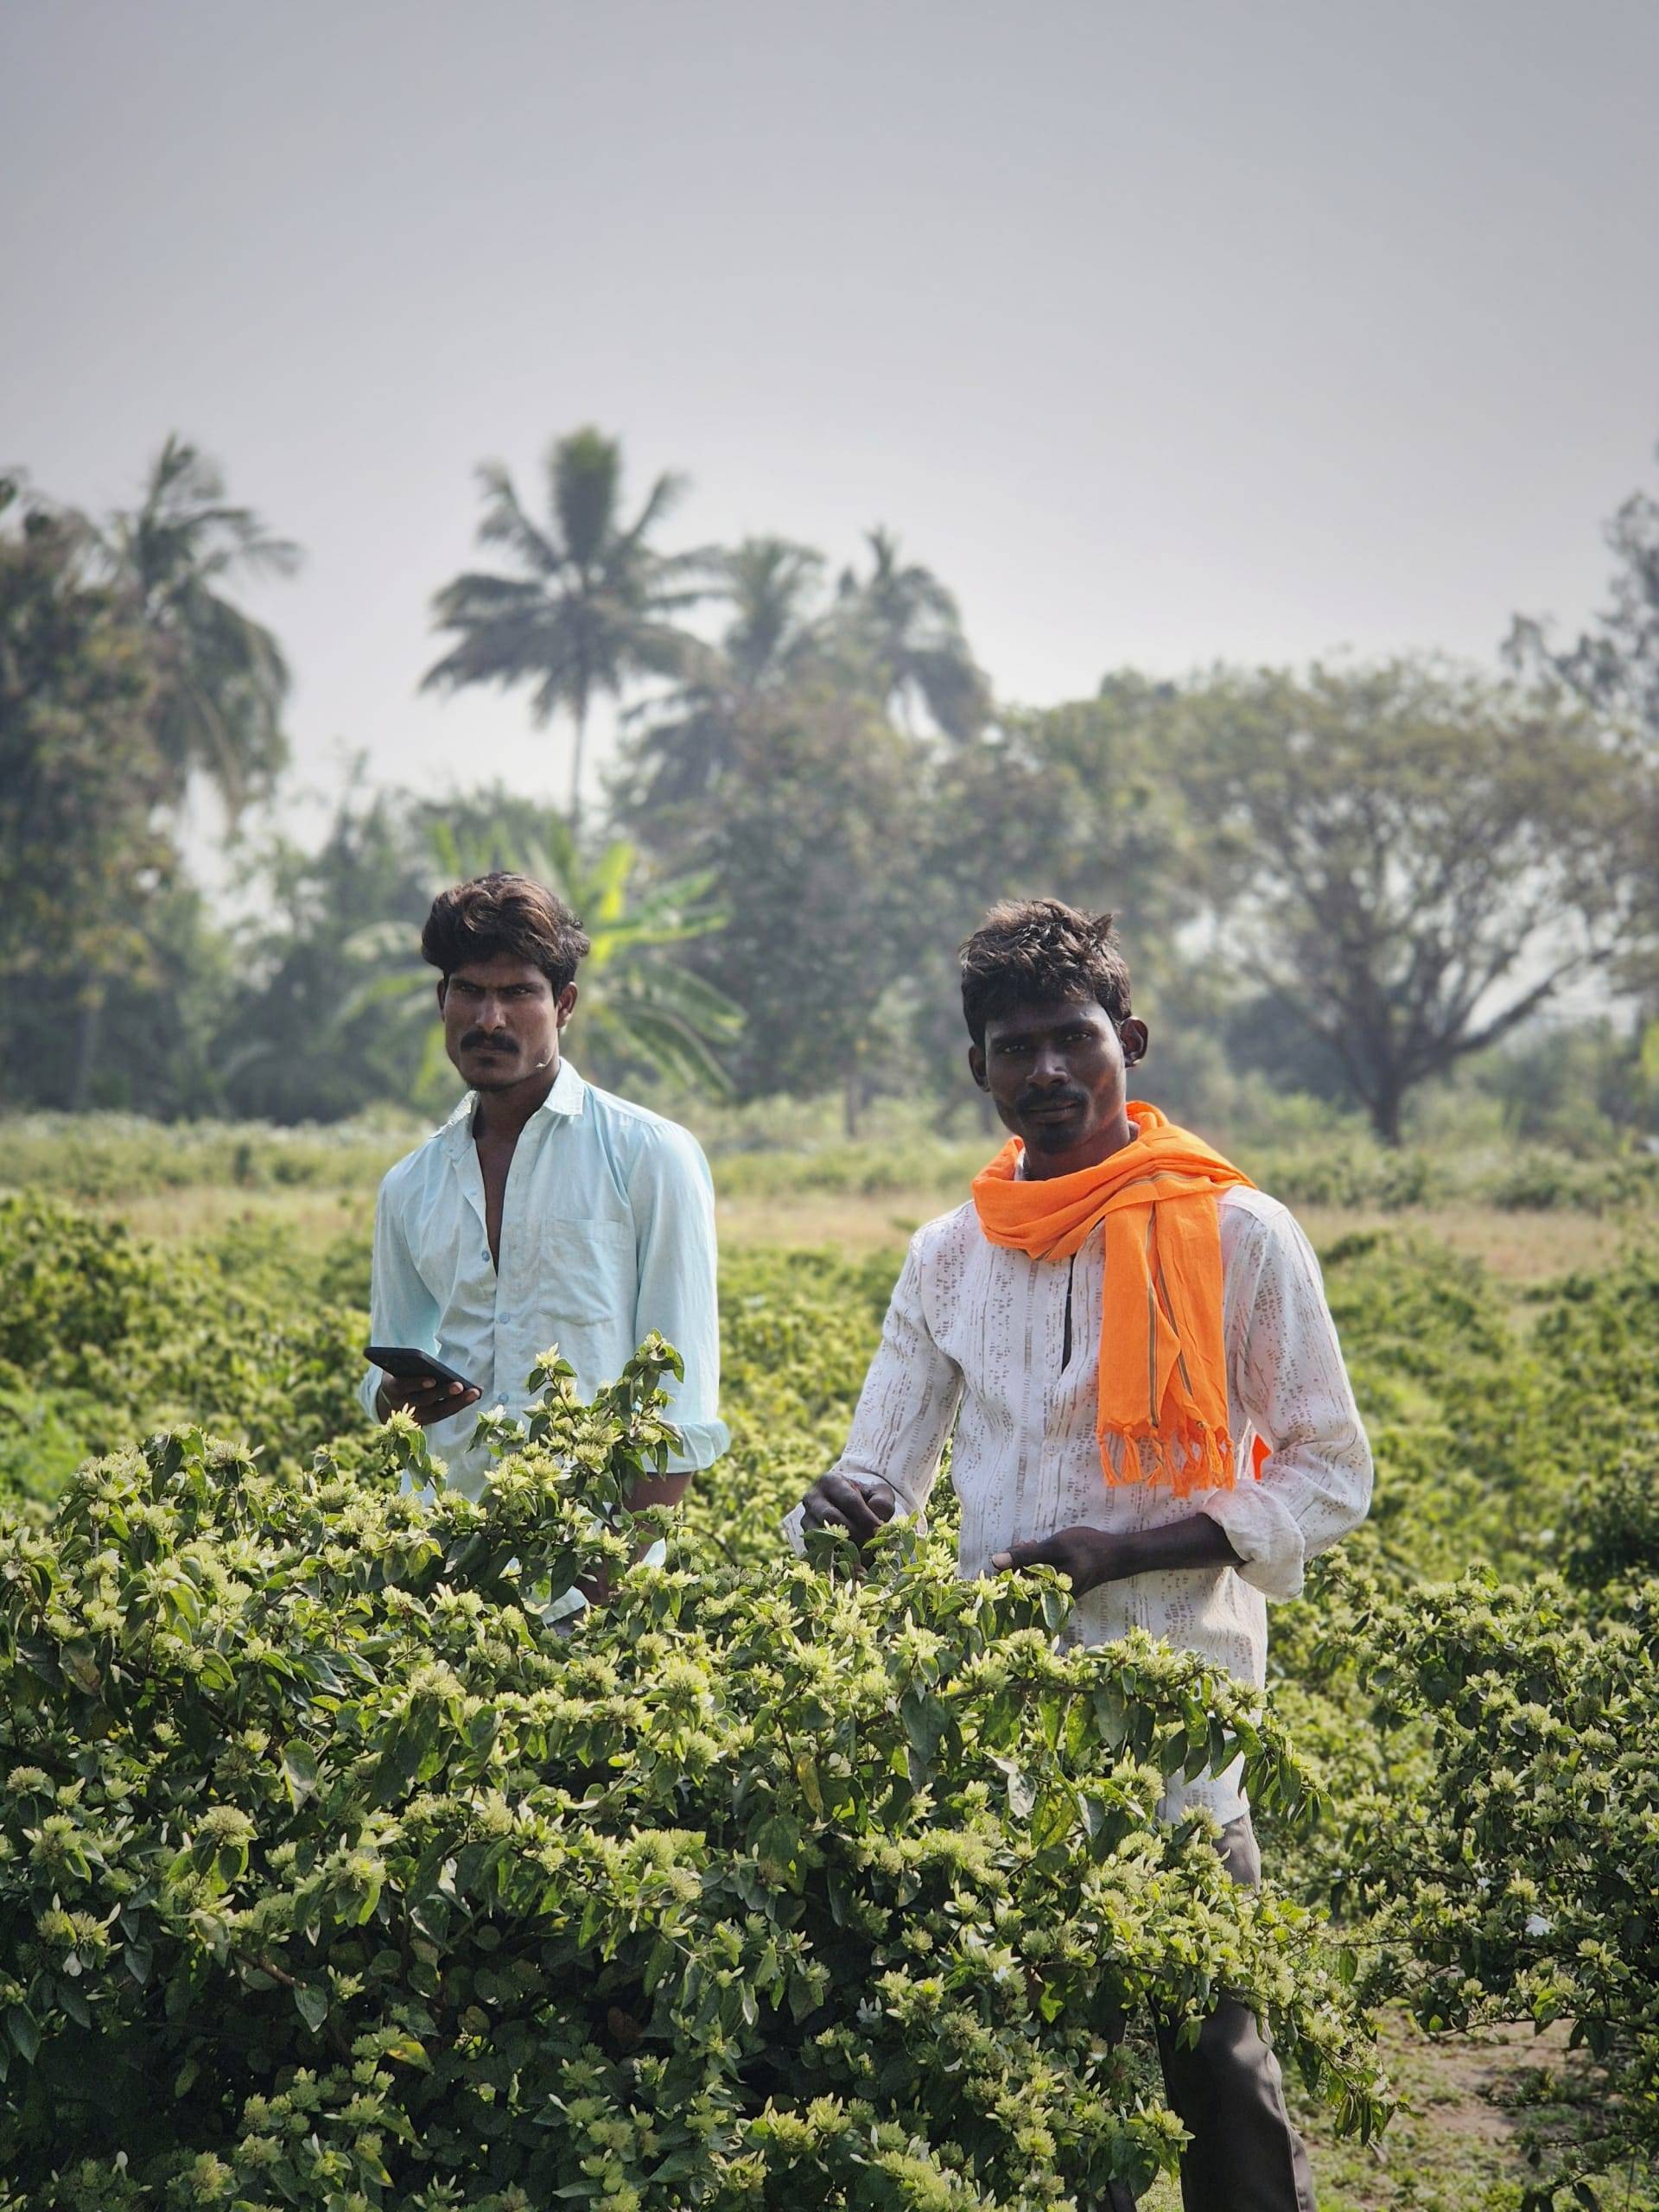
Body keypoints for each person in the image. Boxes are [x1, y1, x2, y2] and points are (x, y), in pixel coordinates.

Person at [787, 898, 1371, 2212]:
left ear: (1133, 1042)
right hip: (1004, 1738)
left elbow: (1334, 1475)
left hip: (1186, 1721)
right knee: (1052, 2089)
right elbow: (881, 1465)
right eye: (1014, 1048)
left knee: (1218, 2065)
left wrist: (1132, 1548)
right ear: (977, 1069)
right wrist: (834, 1512)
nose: (1046, 1073)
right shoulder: (948, 1257)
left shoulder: (1238, 1234)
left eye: (1073, 1040)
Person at [359, 872, 727, 1603]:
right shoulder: (411, 1184)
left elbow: (681, 1409)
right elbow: (385, 1377)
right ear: (442, 1002)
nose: (489, 1019)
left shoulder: (650, 1154)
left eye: (518, 993)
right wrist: (399, 1394)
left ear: (563, 1005)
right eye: (468, 990)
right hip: (441, 1570)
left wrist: (600, 1588)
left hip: (594, 1582)